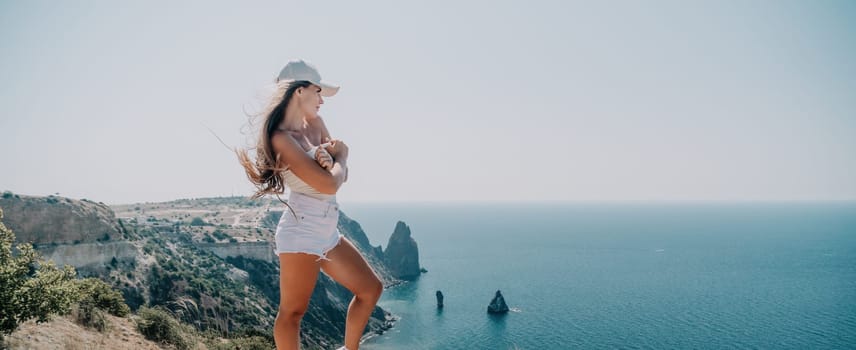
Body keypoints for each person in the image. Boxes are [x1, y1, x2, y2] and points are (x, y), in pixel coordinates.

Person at [238, 59, 383, 350]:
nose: (321, 101)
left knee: (370, 289)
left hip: (327, 228)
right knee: (292, 313)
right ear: (298, 91)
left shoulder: (315, 124)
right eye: (318, 92)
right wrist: (341, 157)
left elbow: (341, 177)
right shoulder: (281, 139)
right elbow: (330, 182)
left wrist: (338, 164)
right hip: (301, 230)